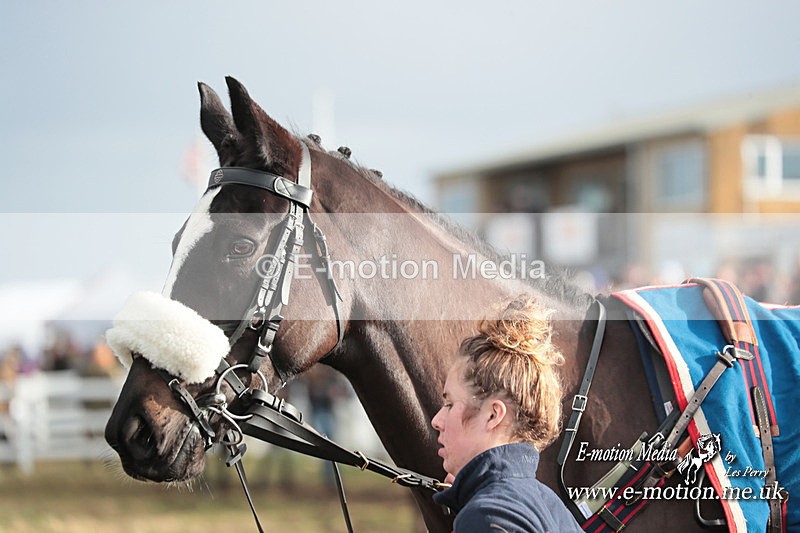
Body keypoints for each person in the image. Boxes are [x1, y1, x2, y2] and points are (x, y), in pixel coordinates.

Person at [431, 295, 581, 532]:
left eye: (449, 404)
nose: (437, 421)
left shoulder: (488, 516)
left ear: (493, 415)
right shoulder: (549, 504)